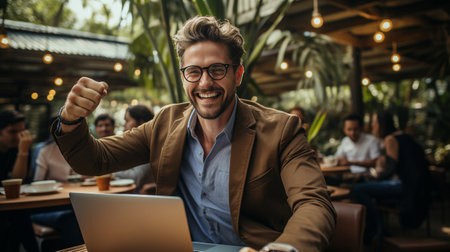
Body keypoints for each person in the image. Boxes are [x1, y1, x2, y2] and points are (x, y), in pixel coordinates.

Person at [51, 16, 335, 252]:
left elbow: (314, 203)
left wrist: (282, 250)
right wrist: (71, 119)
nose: (205, 82)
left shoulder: (281, 129)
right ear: (183, 76)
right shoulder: (165, 123)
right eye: (193, 72)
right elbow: (94, 161)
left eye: (217, 69)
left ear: (237, 75)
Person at [353, 111, 430, 244]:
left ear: (381, 124)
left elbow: (391, 167)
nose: (372, 126)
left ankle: (377, 226)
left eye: (374, 123)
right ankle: (375, 227)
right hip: (418, 184)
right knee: (367, 188)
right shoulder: (403, 135)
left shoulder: (390, 139)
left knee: (359, 189)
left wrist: (375, 176)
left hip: (405, 185)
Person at [0, 109, 39, 252]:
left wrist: (23, 152)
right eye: (12, 132)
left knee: (19, 215)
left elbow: (18, 181)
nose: (18, 137)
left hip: (14, 207)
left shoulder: (21, 147)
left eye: (21, 132)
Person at [113, 105, 155, 193]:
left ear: (141, 122)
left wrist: (109, 173)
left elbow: (136, 177)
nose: (124, 126)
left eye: (127, 121)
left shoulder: (150, 146)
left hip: (147, 198)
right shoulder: (138, 145)